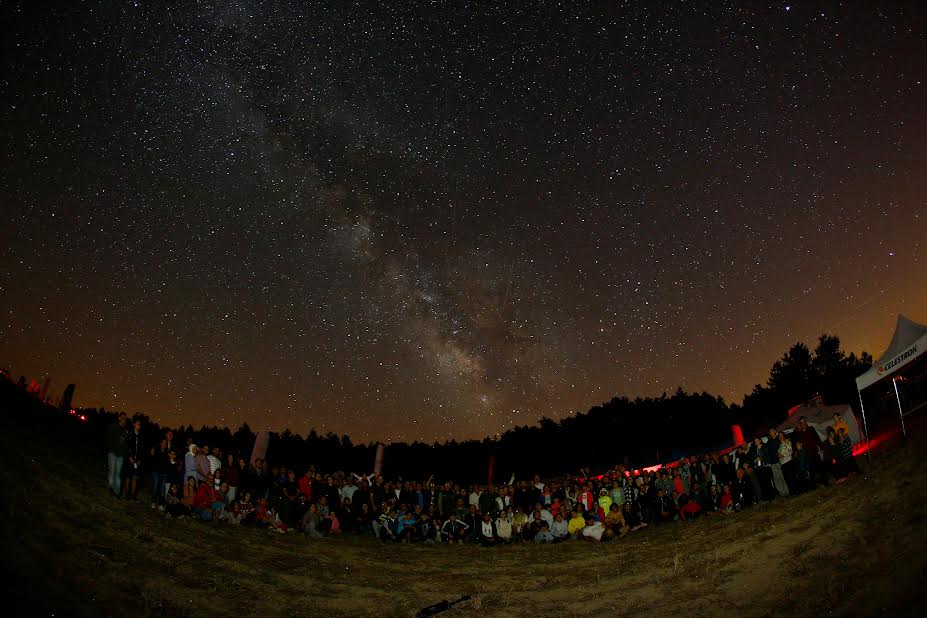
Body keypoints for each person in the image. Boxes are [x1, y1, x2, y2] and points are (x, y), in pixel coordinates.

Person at [105, 413, 129, 496]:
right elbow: (109, 438)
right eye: (122, 418)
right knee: (112, 471)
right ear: (119, 418)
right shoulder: (113, 427)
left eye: (125, 419)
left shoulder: (125, 431)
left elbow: (126, 444)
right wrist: (111, 448)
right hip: (112, 453)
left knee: (118, 474)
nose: (124, 420)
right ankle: (111, 488)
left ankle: (117, 491)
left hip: (120, 456)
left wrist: (124, 454)